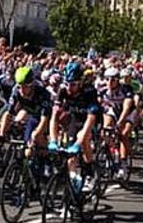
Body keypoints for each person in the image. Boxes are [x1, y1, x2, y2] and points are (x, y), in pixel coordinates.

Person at [48, 62, 101, 192]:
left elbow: (91, 119)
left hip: (90, 120)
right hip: (75, 118)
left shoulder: (89, 91)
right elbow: (54, 116)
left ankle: (89, 173)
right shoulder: (62, 90)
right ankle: (73, 179)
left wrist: (78, 142)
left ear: (80, 83)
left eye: (73, 85)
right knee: (69, 154)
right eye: (67, 84)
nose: (69, 88)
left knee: (82, 140)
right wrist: (53, 140)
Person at [98, 67, 136, 179]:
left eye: (113, 79)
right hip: (114, 111)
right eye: (107, 79)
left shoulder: (125, 89)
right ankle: (111, 153)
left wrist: (120, 121)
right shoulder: (103, 90)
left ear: (118, 80)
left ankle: (123, 164)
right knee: (106, 130)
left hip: (128, 113)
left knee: (123, 135)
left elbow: (127, 107)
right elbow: (99, 107)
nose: (110, 82)